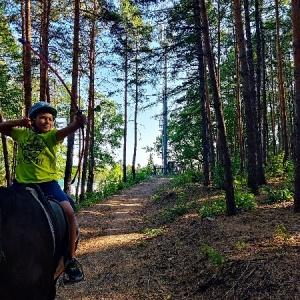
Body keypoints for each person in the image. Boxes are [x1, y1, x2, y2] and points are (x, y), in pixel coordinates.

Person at [0, 101, 85, 284]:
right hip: (21, 185)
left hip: (47, 185)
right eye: (43, 118)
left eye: (51, 119)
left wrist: (78, 123)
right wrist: (19, 123)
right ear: (33, 120)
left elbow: (67, 130)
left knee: (69, 212)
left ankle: (70, 261)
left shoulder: (53, 136)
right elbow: (1, 127)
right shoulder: (22, 134)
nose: (47, 122)